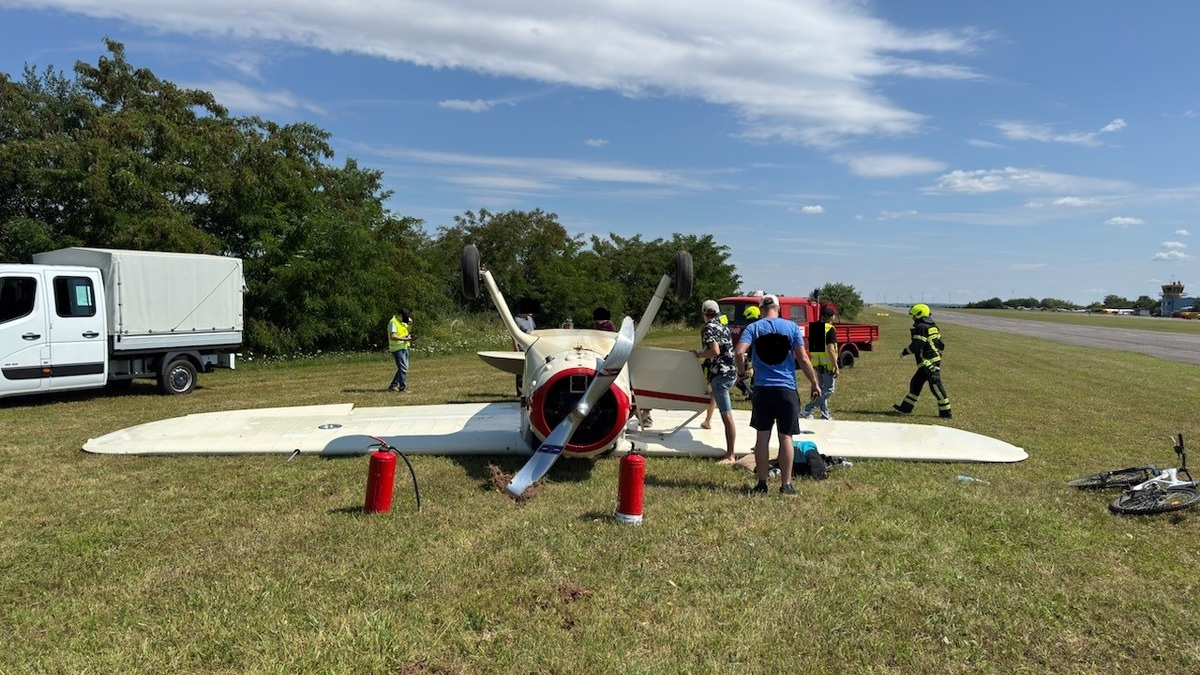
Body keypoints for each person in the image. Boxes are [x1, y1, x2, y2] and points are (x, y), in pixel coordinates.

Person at [734, 294, 822, 495]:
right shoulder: (791, 327)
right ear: (779, 308)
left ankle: (761, 484)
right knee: (786, 438)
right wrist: (814, 383)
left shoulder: (753, 328)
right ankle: (786, 485)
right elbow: (803, 359)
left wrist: (741, 374)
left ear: (760, 309)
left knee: (762, 437)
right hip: (786, 390)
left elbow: (739, 352)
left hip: (762, 390)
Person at [694, 299, 737, 464]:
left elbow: (714, 350)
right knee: (713, 392)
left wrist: (698, 354)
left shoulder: (708, 328)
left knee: (727, 415)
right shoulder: (723, 326)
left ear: (703, 313)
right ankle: (707, 421)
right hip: (730, 372)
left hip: (720, 375)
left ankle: (730, 455)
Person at [893, 303, 953, 419]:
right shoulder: (933, 326)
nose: (913, 318)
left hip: (927, 362)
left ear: (919, 314)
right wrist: (938, 357)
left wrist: (904, 352)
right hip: (931, 360)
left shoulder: (921, 327)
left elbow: (917, 345)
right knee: (916, 382)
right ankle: (906, 408)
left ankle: (946, 412)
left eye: (914, 315)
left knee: (935, 385)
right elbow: (941, 344)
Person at [801, 303, 840, 420]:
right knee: (829, 390)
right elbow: (831, 349)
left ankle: (825, 415)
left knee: (821, 389)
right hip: (828, 365)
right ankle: (807, 409)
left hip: (818, 364)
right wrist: (836, 366)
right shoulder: (830, 329)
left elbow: (810, 345)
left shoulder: (816, 328)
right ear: (831, 317)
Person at [386, 308, 413, 392]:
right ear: (400, 315)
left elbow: (407, 330)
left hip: (404, 347)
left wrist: (410, 324)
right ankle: (402, 388)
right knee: (403, 368)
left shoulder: (402, 321)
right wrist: (405, 339)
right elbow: (393, 336)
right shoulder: (393, 322)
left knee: (403, 368)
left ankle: (393, 386)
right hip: (397, 348)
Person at [513, 299, 536, 396]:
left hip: (532, 348)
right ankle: (520, 392)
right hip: (522, 348)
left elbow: (534, 331)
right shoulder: (517, 320)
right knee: (520, 371)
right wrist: (516, 350)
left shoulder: (530, 319)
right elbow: (514, 336)